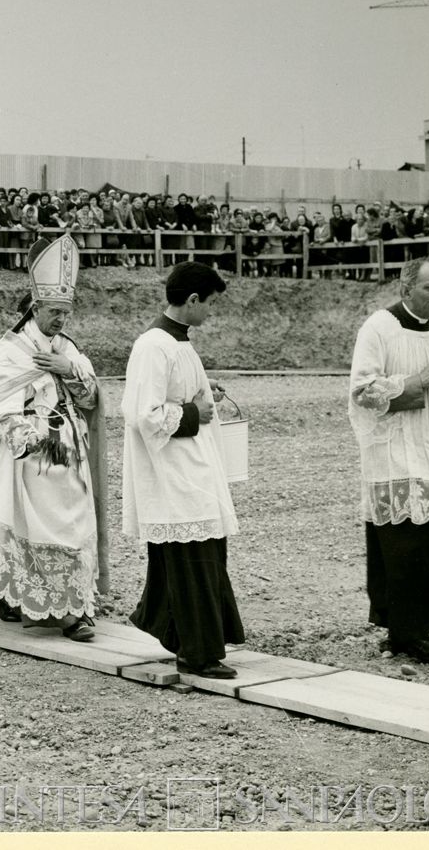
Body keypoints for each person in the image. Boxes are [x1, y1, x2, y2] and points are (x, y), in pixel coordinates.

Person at [0, 235, 107, 640]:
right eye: (54, 311)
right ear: (35, 307)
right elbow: (0, 407)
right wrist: (35, 444)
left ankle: (72, 601)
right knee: (39, 528)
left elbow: (91, 398)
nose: (61, 320)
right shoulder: (8, 350)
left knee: (75, 524)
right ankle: (60, 613)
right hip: (34, 455)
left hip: (71, 450)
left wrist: (68, 369)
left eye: (66, 312)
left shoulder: (67, 347)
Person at [122, 261, 245, 679]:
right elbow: (145, 414)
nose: (211, 311)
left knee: (203, 555)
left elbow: (180, 393)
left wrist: (206, 393)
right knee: (191, 560)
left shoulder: (179, 342)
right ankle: (196, 653)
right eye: (210, 303)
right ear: (192, 300)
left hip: (191, 465)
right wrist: (195, 412)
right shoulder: (153, 346)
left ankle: (185, 637)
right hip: (173, 472)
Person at [349, 258, 429, 664]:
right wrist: (418, 381)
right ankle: (407, 634)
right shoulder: (378, 328)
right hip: (396, 449)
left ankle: (424, 628)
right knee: (415, 543)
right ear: (405, 290)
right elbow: (362, 392)